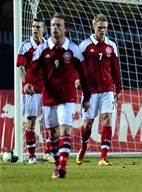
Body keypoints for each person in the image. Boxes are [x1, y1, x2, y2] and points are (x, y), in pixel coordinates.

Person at [24, 13, 91, 179]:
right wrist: (28, 82)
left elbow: (83, 74)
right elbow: (32, 67)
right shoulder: (43, 48)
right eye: (53, 25)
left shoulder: (73, 49)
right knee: (53, 134)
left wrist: (87, 97)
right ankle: (57, 164)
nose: (55, 28)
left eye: (58, 25)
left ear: (65, 28)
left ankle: (62, 167)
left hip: (67, 98)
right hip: (48, 98)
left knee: (65, 130)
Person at [76, 14, 122, 166]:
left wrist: (118, 88)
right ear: (93, 26)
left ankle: (103, 157)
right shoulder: (84, 45)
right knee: (87, 125)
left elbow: (115, 68)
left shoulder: (111, 46)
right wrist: (76, 79)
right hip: (90, 91)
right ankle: (84, 144)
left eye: (105, 28)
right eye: (100, 27)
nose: (102, 31)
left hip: (107, 89)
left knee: (107, 119)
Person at [16, 18, 51, 164]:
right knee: (31, 122)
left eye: (38, 27)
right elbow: (20, 67)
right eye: (33, 26)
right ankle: (31, 155)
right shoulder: (25, 46)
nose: (35, 29)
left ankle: (49, 153)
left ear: (43, 30)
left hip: (47, 89)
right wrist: (26, 83)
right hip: (31, 91)